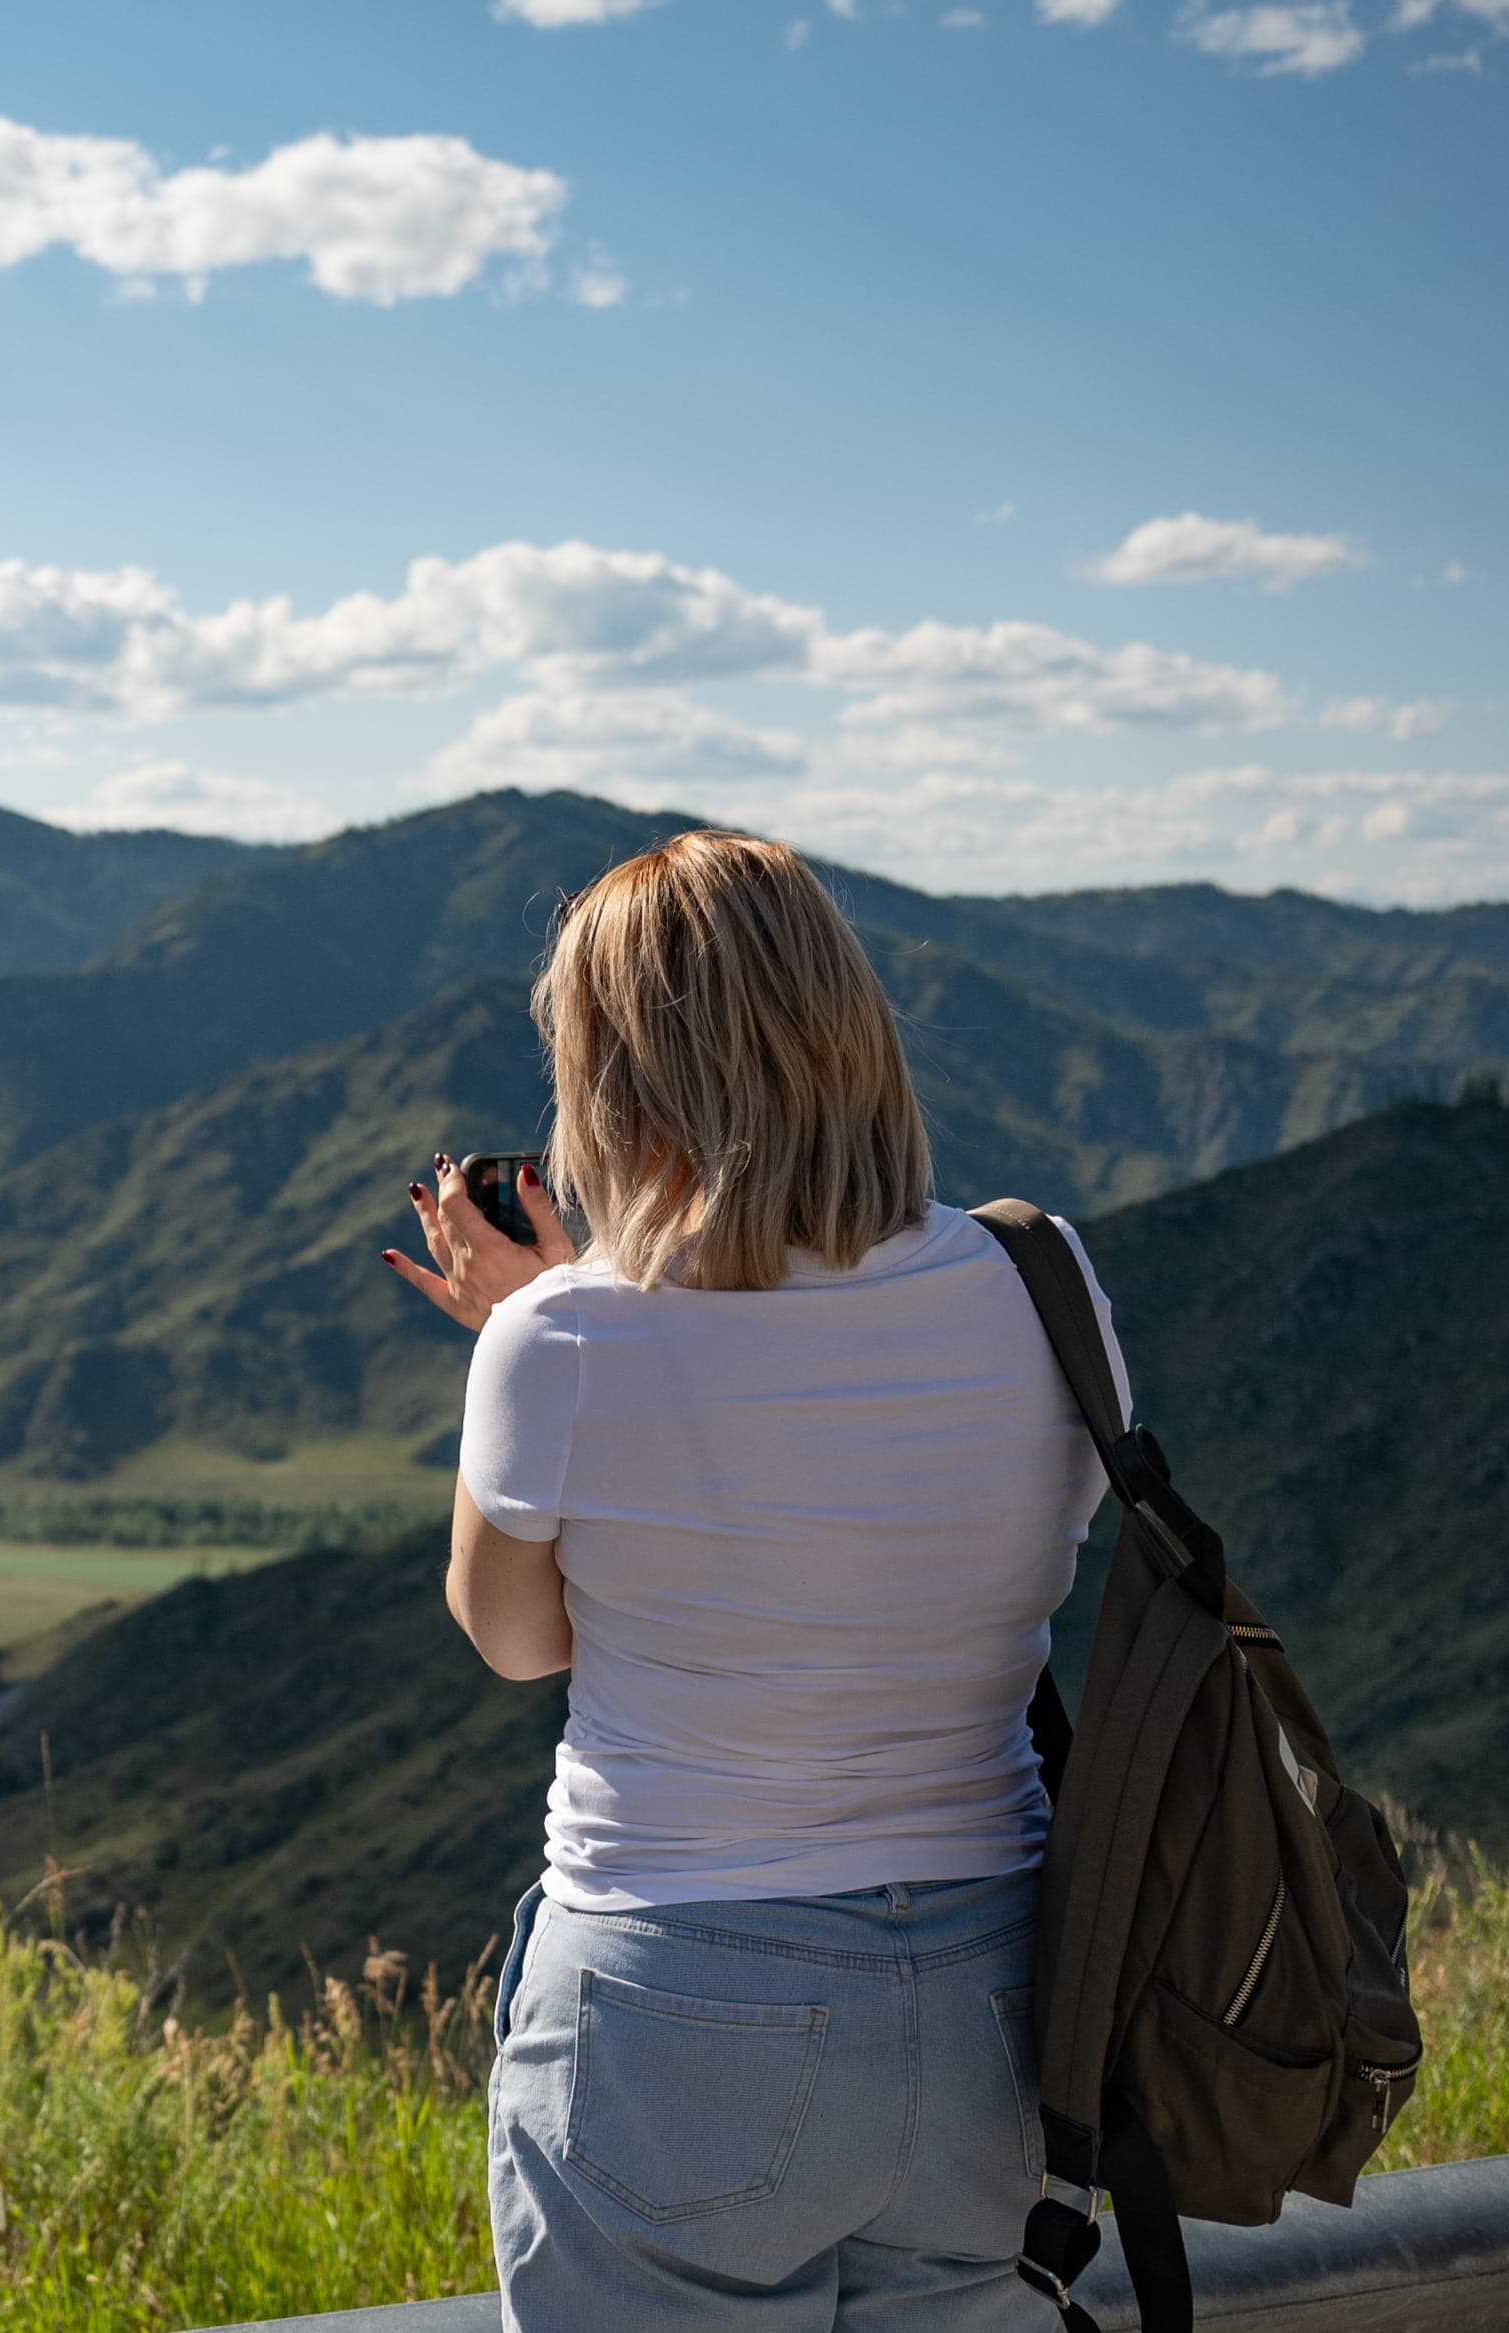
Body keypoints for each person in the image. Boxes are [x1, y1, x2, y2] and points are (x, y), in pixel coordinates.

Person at [378, 827, 1125, 2330]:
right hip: (1005, 1989)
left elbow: (517, 1638)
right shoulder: (1048, 1284)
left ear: (616, 1079)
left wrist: (533, 1336)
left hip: (681, 2003)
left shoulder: (563, 1344)